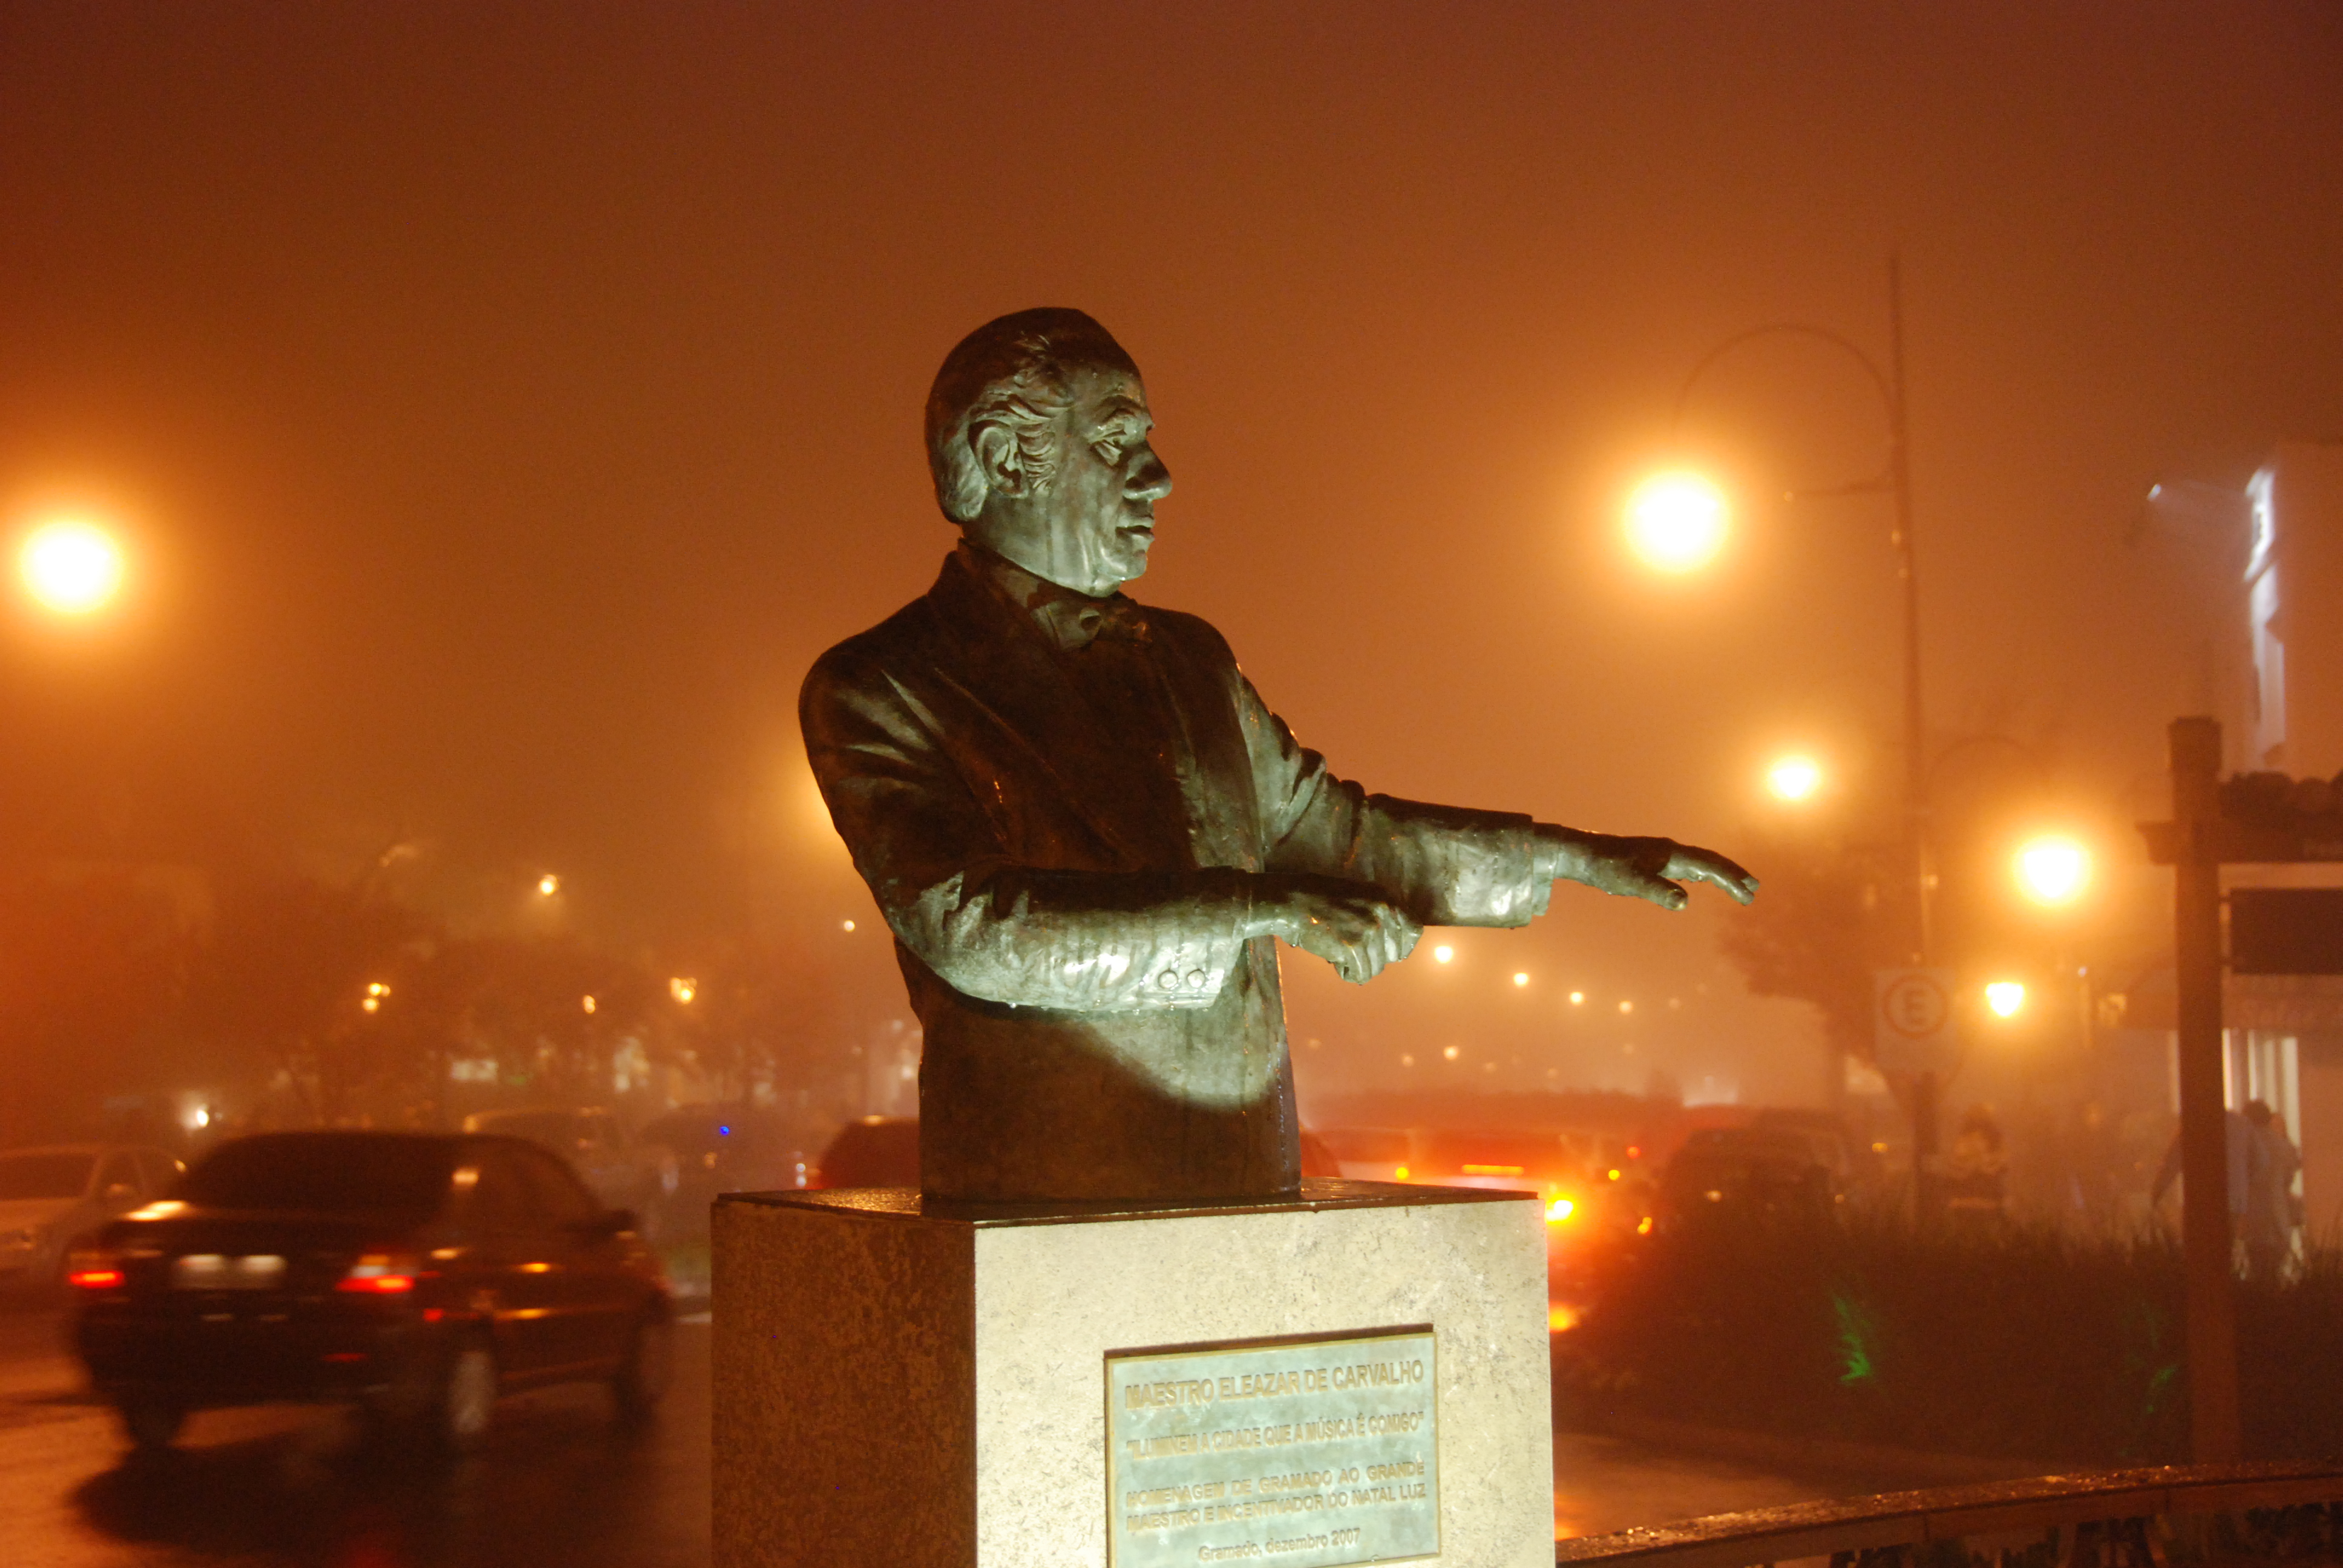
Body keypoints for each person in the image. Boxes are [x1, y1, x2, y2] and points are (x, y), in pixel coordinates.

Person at [801, 309, 1757, 1203]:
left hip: (1247, 1170)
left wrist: (1564, 855)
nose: (1160, 477)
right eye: (1118, 442)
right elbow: (974, 928)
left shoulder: (1191, 661)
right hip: (1045, 1186)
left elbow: (1332, 836)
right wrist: (1257, 907)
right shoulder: (882, 684)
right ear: (1005, 456)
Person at [2242, 1099, 2302, 1284]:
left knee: (2257, 1275)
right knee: (2275, 1277)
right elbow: (2288, 1180)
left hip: (2253, 1221)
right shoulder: (2284, 1147)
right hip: (2279, 1221)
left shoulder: (2244, 1146)